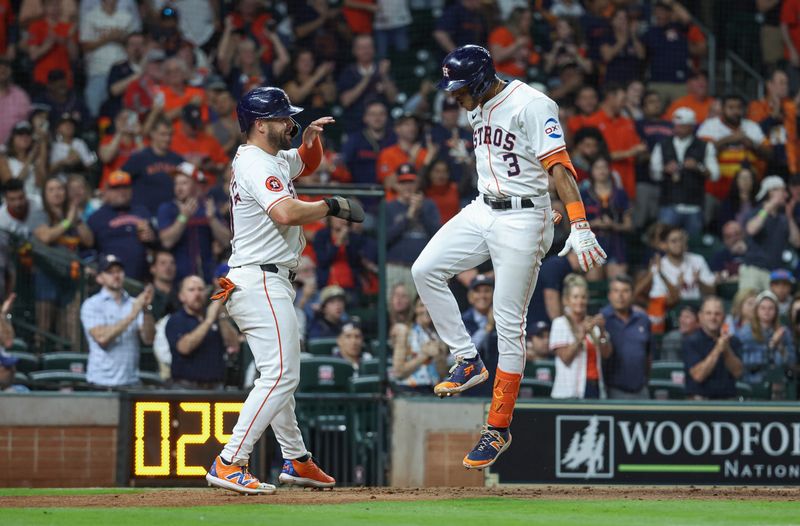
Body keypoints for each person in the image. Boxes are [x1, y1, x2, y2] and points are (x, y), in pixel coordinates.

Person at [411, 45, 607, 470]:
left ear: (481, 79)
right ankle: (467, 359)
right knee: (424, 269)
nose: (455, 96)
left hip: (524, 218)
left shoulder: (533, 104)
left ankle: (497, 427)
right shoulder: (476, 106)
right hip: (483, 207)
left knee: (507, 322)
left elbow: (559, 167)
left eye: (461, 88)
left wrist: (578, 222)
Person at [205, 86, 363, 494]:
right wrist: (330, 206)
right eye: (282, 118)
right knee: (281, 375)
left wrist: (309, 141)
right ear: (260, 125)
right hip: (260, 279)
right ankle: (229, 461)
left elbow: (303, 166)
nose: (289, 123)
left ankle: (296, 459)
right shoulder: (257, 164)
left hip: (259, 278)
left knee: (277, 376)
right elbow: (286, 211)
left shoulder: (267, 158)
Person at [33, 176, 93, 347]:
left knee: (68, 326)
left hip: (70, 277)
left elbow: (88, 241)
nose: (56, 193)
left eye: (60, 188)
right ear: (44, 194)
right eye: (51, 190)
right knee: (44, 325)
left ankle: (66, 366)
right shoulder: (40, 213)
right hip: (47, 274)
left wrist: (77, 219)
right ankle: (40, 364)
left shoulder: (73, 214)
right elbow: (45, 236)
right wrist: (68, 221)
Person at [81, 254, 155, 389]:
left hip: (130, 381)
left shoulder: (134, 303)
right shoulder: (92, 304)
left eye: (119, 271)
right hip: (101, 382)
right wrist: (132, 314)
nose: (116, 276)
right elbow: (102, 338)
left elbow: (149, 339)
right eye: (110, 272)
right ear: (99, 278)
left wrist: (146, 310)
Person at [650, 107, 719, 235]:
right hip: (669, 203)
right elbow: (654, 173)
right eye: (677, 125)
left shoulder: (705, 146)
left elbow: (715, 175)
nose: (678, 129)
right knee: (664, 241)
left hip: (694, 206)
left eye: (683, 126)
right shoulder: (662, 144)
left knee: (693, 244)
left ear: (691, 127)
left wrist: (698, 167)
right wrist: (665, 169)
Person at [157, 162, 231, 283]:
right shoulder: (168, 208)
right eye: (176, 183)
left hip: (207, 275)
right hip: (178, 278)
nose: (179, 188)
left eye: (184, 183)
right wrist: (183, 218)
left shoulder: (208, 207)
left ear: (196, 185)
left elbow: (226, 241)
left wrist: (212, 219)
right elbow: (167, 241)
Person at [166, 275, 238, 390]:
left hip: (216, 387)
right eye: (191, 290)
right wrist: (209, 321)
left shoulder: (215, 316)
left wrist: (221, 316)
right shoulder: (176, 320)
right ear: (181, 296)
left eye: (200, 289)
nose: (197, 294)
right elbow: (184, 348)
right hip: (185, 388)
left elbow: (234, 345)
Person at [697, 94, 772, 201]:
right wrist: (729, 140)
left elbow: (769, 154)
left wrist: (751, 144)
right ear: (722, 109)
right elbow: (700, 152)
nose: (735, 111)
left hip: (748, 192)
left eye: (739, 107)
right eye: (731, 107)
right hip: (716, 191)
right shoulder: (710, 126)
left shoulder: (752, 126)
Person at [87, 170, 156, 281]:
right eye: (116, 188)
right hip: (110, 278)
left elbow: (157, 244)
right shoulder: (96, 217)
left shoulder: (142, 211)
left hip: (141, 278)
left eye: (125, 187)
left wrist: (151, 239)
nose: (121, 192)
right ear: (107, 192)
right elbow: (87, 250)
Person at [581, 83, 647, 199]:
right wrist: (631, 152)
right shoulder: (592, 122)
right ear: (611, 98)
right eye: (622, 100)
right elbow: (594, 155)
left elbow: (638, 150)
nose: (624, 104)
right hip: (601, 187)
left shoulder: (628, 123)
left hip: (628, 184)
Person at [550, 276, 612, 399]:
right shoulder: (560, 323)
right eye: (575, 297)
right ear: (567, 300)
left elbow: (606, 354)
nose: (580, 301)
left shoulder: (593, 325)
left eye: (583, 297)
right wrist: (581, 334)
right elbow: (565, 358)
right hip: (568, 391)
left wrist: (602, 331)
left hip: (594, 387)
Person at [387, 164, 440, 301]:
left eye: (410, 182)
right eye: (403, 182)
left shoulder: (429, 206)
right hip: (396, 266)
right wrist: (408, 217)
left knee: (422, 309)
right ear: (397, 185)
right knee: (394, 309)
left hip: (423, 268)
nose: (407, 186)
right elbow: (384, 239)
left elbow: (438, 235)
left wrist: (420, 212)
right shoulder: (388, 207)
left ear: (417, 183)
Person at [740, 176, 800, 291]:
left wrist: (789, 217)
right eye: (782, 191)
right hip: (754, 269)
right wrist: (768, 208)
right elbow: (751, 229)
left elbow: (797, 242)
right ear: (771, 192)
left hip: (774, 273)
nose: (786, 195)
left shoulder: (783, 218)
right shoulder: (756, 212)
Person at [580, 156, 632, 280]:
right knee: (593, 280)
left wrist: (613, 225)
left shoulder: (620, 194)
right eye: (597, 167)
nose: (601, 171)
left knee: (618, 281)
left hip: (616, 244)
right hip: (591, 244)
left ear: (609, 170)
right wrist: (593, 223)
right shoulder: (583, 194)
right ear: (591, 171)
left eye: (604, 167)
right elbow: (575, 224)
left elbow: (629, 226)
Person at [79, 0, 134, 117]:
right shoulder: (91, 17)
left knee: (123, 110)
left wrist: (120, 38)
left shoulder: (126, 16)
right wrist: (108, 38)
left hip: (122, 71)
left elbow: (135, 44)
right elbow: (84, 46)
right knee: (94, 109)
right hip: (99, 70)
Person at [684, 296, 744, 400]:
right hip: (699, 402)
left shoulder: (733, 341)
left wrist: (726, 349)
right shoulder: (691, 341)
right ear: (700, 316)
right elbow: (698, 375)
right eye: (708, 313)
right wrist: (717, 349)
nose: (713, 317)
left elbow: (738, 372)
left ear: (724, 317)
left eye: (717, 314)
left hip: (728, 402)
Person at [601, 275, 651, 399]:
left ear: (633, 294)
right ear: (609, 295)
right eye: (616, 291)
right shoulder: (602, 320)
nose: (620, 296)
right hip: (613, 390)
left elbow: (648, 355)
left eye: (625, 291)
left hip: (641, 389)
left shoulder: (643, 319)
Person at [122, 118, 183, 217]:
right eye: (163, 134)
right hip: (144, 216)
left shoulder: (178, 159)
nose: (167, 138)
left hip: (170, 216)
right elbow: (119, 177)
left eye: (170, 134)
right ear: (152, 134)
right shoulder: (139, 158)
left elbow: (194, 179)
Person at [737, 290, 796, 391]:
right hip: (752, 382)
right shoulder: (745, 332)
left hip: (779, 384)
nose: (766, 311)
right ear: (756, 310)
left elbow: (792, 362)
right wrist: (771, 345)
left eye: (771, 308)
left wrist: (780, 347)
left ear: (776, 311)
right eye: (763, 308)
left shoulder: (784, 332)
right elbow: (747, 363)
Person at [390, 297, 448, 394]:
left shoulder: (437, 336)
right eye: (421, 305)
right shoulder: (405, 331)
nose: (426, 309)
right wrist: (424, 355)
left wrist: (439, 356)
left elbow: (442, 374)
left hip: (432, 391)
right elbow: (398, 372)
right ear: (415, 309)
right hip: (408, 390)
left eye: (429, 305)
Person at [0, 59, 31, 145]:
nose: (2, 71)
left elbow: (27, 123)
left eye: (5, 69)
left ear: (10, 72)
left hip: (15, 150)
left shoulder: (20, 95)